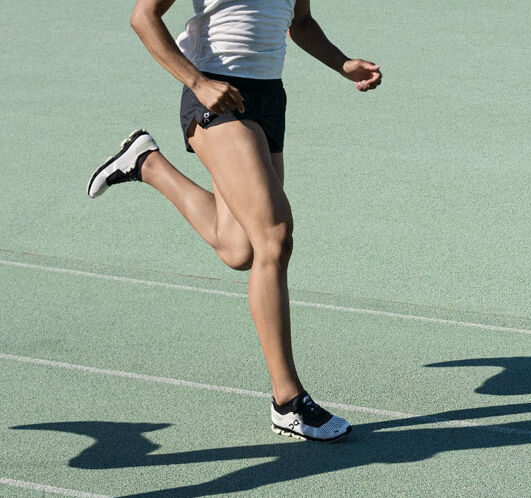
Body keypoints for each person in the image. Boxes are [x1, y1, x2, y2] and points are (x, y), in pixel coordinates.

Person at [86, 0, 380, 442]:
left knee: (238, 248)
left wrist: (343, 63)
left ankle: (146, 163)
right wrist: (198, 82)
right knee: (274, 238)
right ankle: (287, 401)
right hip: (215, 94)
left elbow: (300, 21)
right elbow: (143, 17)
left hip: (269, 98)